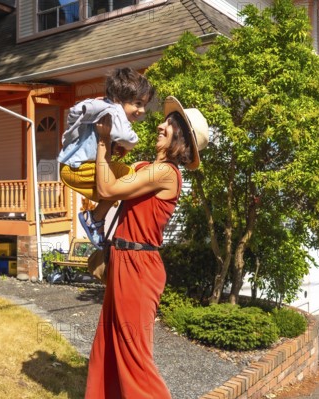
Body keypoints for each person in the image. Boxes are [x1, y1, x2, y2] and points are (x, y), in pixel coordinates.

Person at [84, 96, 209, 398]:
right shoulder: (145, 167)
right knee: (107, 345)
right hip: (122, 259)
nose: (160, 125)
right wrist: (110, 146)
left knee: (134, 355)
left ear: (179, 136)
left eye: (168, 124)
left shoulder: (167, 174)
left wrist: (102, 143)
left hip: (140, 267)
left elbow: (107, 188)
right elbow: (108, 187)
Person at [57, 67, 155, 249]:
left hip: (73, 168)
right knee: (127, 177)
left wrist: (113, 145)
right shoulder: (114, 110)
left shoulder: (102, 107)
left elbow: (78, 115)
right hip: (79, 169)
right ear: (119, 99)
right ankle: (95, 218)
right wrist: (130, 144)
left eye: (144, 105)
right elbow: (126, 137)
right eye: (137, 103)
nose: (141, 110)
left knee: (119, 183)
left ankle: (95, 219)